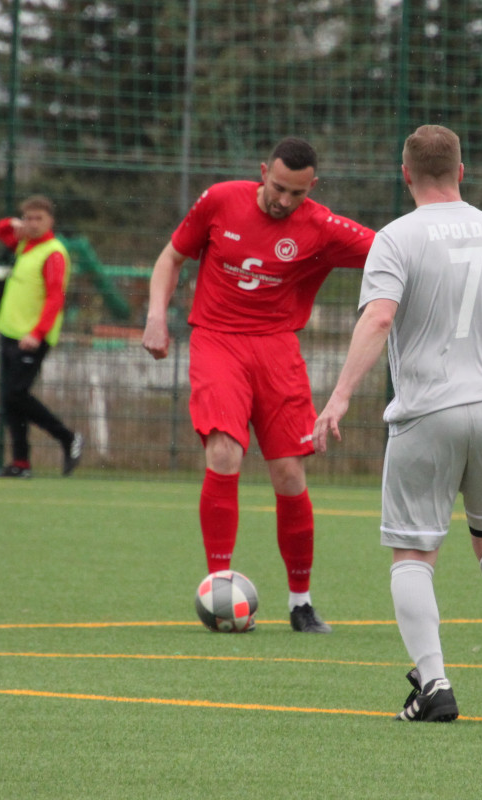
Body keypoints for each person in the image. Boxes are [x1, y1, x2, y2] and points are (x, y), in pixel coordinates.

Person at [313, 124, 482, 722]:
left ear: (404, 174)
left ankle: (434, 685)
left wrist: (338, 397)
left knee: (412, 553)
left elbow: (379, 320)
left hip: (427, 412)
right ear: (462, 172)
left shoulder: (395, 238)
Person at [142, 137, 374, 634]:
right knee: (223, 453)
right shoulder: (220, 200)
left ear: (312, 187)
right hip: (216, 342)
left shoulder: (323, 227)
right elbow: (169, 258)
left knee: (289, 475)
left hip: (277, 349)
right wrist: (156, 317)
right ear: (262, 171)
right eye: (277, 187)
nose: (283, 201)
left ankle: (301, 603)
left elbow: (392, 251)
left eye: (296, 193)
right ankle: (220, 586)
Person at [0, 194, 84, 479]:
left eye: (38, 218)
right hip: (11, 332)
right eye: (28, 218)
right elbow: (0, 230)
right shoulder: (24, 245)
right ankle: (21, 463)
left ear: (50, 221)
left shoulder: (53, 252)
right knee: (10, 399)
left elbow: (55, 297)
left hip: (32, 337)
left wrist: (37, 332)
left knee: (16, 394)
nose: (32, 224)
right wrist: (13, 223)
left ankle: (68, 438)